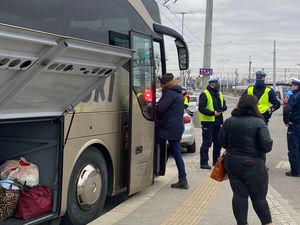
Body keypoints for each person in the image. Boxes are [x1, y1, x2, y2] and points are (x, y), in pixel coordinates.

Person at [219, 94, 273, 225]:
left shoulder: (229, 121)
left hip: (232, 162)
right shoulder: (259, 122)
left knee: (239, 195)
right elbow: (267, 145)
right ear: (255, 106)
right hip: (254, 164)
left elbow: (223, 142)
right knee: (259, 198)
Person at [156, 73, 189, 189]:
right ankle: (182, 179)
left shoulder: (169, 93)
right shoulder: (177, 92)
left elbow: (160, 108)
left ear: (165, 83)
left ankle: (151, 171)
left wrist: (149, 107)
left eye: (161, 83)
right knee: (176, 152)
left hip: (168, 127)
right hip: (176, 127)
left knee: (151, 145)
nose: (160, 85)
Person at [198, 77, 227, 169]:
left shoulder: (219, 94)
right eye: (216, 85)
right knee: (207, 143)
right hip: (208, 122)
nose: (218, 86)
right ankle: (204, 163)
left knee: (218, 143)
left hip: (218, 122)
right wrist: (212, 113)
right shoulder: (204, 94)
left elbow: (224, 105)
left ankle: (216, 162)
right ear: (211, 85)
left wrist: (223, 108)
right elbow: (201, 108)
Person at [283, 78, 300, 177]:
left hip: (294, 126)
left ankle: (295, 171)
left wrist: (286, 121)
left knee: (293, 149)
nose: (291, 87)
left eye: (292, 85)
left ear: (296, 86)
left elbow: (287, 110)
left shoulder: (294, 97)